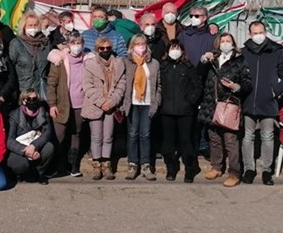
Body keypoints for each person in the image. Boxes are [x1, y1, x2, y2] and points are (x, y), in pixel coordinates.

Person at [240, 21, 283, 186]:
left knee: (268, 136)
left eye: (261, 32)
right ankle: (249, 169)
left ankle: (266, 171)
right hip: (248, 100)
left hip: (268, 101)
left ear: (266, 32)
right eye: (255, 33)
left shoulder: (276, 51)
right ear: (250, 35)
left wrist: (273, 91)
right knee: (248, 136)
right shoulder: (243, 52)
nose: (258, 35)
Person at [199, 33, 252, 188]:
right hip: (211, 104)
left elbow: (248, 82)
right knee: (214, 138)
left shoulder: (240, 60)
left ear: (233, 44)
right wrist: (203, 60)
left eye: (228, 41)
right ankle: (216, 167)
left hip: (229, 104)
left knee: (231, 140)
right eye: (223, 41)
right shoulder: (213, 59)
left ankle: (234, 172)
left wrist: (236, 87)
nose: (225, 44)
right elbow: (199, 74)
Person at [47, 31, 90, 177]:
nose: (76, 46)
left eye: (79, 43)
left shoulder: (88, 60)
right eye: (73, 43)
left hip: (80, 105)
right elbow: (51, 83)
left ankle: (73, 165)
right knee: (59, 135)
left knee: (76, 134)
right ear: (68, 44)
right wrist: (52, 104)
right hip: (62, 104)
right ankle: (57, 166)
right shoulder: (59, 60)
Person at [82, 37, 126, 180]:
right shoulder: (89, 64)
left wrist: (112, 101)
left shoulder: (119, 64)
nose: (105, 51)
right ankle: (97, 165)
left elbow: (121, 85)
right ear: (97, 49)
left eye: (108, 48)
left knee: (108, 137)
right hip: (95, 104)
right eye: (102, 48)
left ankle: (107, 165)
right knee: (96, 137)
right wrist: (101, 102)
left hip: (111, 105)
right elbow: (87, 86)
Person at [159, 40, 202, 183]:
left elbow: (197, 86)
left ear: (182, 51)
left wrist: (190, 101)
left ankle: (189, 169)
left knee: (186, 141)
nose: (175, 51)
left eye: (177, 48)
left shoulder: (188, 67)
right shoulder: (163, 67)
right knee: (168, 142)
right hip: (166, 110)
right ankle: (171, 167)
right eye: (172, 48)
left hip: (185, 111)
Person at [122, 34, 162, 181]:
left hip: (147, 103)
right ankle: (132, 164)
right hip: (132, 103)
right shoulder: (127, 62)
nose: (141, 47)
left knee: (145, 134)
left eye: (143, 44)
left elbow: (158, 85)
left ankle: (145, 165)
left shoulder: (154, 63)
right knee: (132, 134)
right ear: (132, 47)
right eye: (137, 44)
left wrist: (156, 101)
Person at [177, 6, 214, 160]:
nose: (193, 18)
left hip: (205, 78)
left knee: (204, 113)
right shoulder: (184, 35)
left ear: (205, 17)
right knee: (187, 112)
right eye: (191, 15)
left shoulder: (211, 37)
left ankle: (203, 145)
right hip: (187, 78)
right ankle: (187, 144)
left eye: (197, 15)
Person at [6, 89, 55, 184]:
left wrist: (34, 146)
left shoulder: (43, 112)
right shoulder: (14, 115)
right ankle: (22, 173)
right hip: (21, 147)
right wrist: (25, 150)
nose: (32, 101)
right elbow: (9, 140)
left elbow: (47, 133)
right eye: (29, 98)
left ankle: (40, 172)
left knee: (49, 147)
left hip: (36, 144)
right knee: (19, 165)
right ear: (23, 100)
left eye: (34, 98)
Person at [8, 11, 50, 99]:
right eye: (30, 25)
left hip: (42, 88)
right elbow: (10, 67)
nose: (33, 28)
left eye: (35, 25)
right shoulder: (16, 43)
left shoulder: (45, 43)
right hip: (24, 89)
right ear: (24, 26)